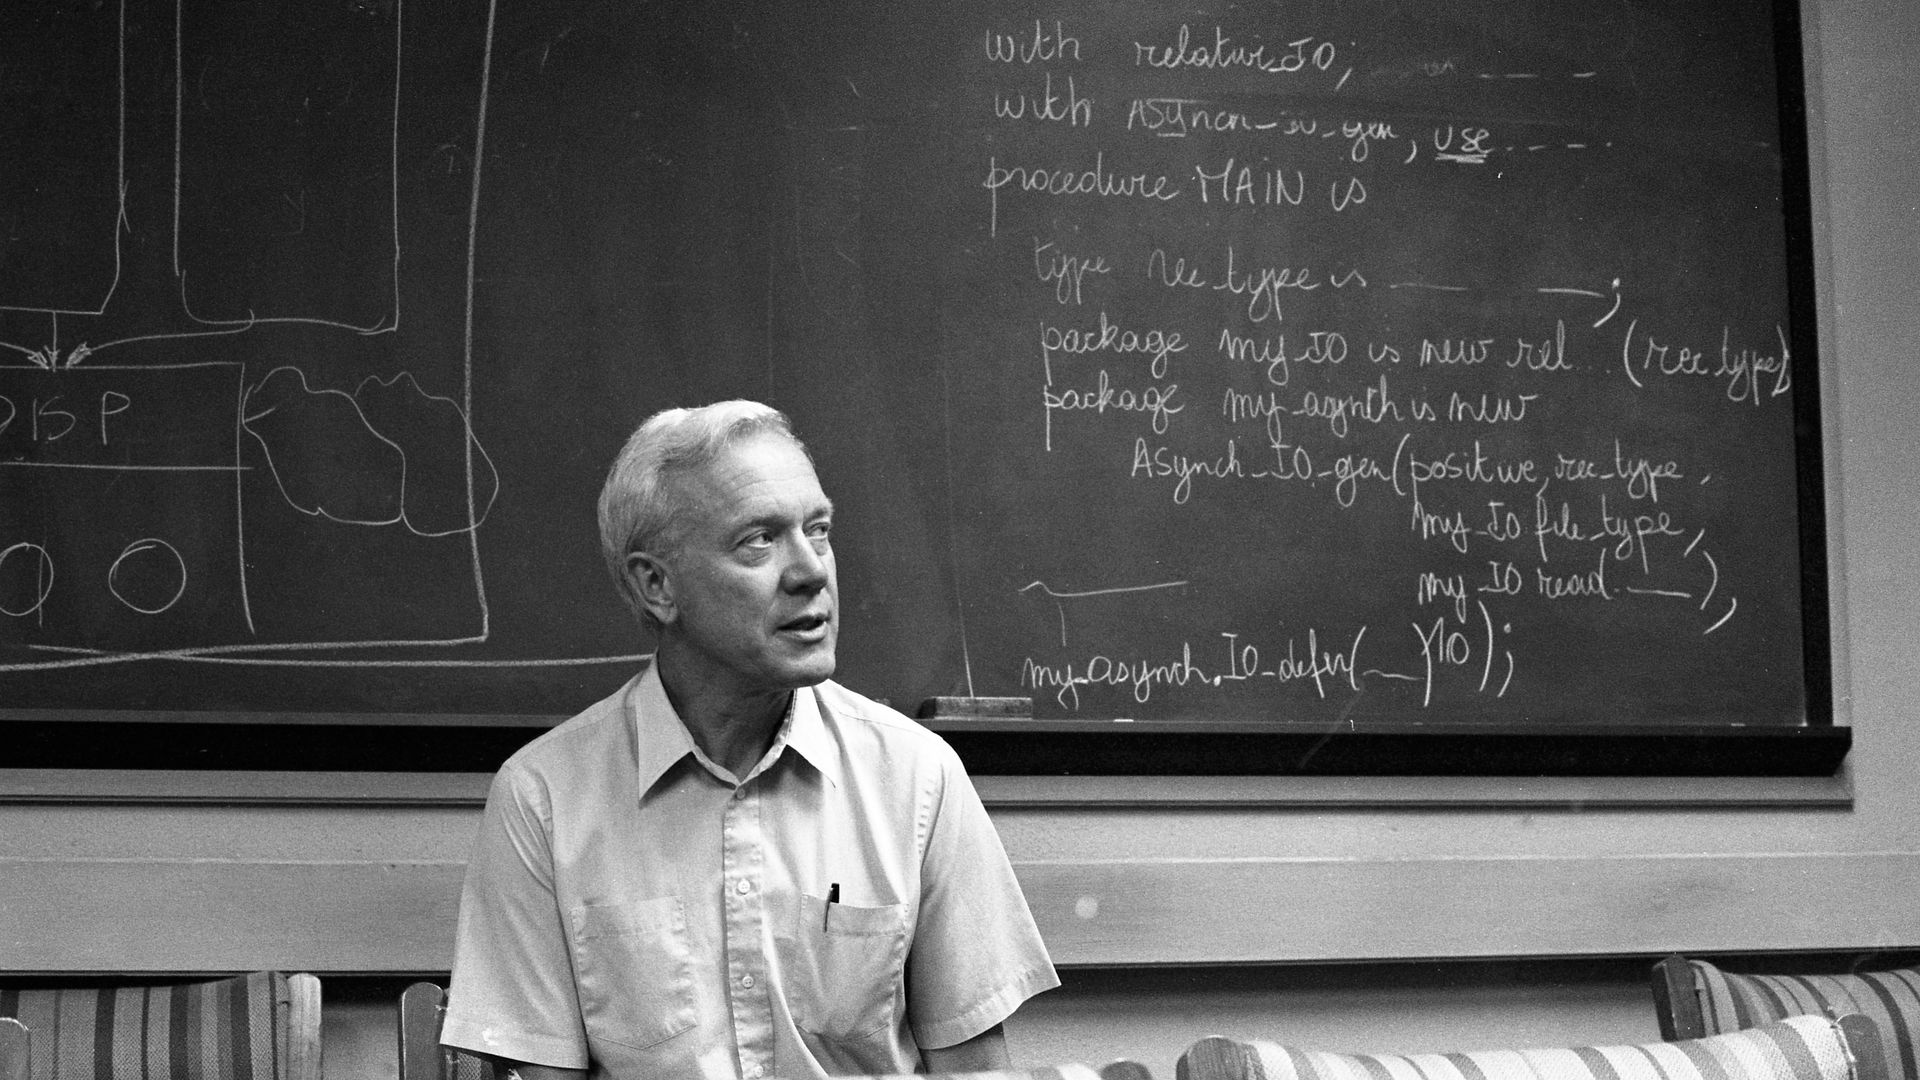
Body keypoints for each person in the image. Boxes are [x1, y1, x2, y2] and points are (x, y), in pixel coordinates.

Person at [441, 400, 1058, 1080]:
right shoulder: (543, 799)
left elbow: (976, 1071)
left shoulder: (918, 778)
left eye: (817, 531)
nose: (810, 571)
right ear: (657, 586)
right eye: (758, 540)